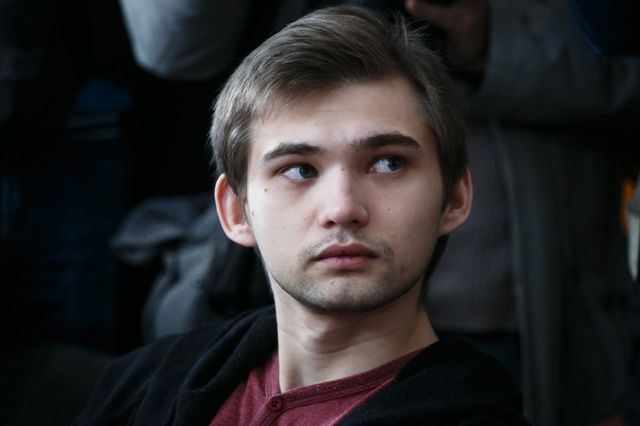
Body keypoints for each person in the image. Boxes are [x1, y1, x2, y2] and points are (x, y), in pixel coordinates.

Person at [74, 6, 529, 425]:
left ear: (455, 197)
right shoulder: (142, 382)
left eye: (388, 163)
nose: (343, 209)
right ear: (235, 211)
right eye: (299, 170)